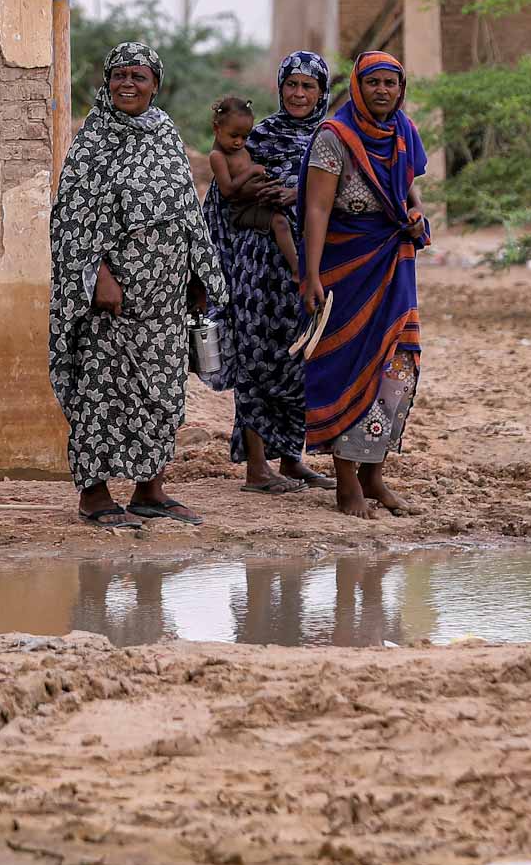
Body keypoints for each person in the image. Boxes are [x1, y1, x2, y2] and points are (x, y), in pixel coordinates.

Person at [50, 42, 229, 529]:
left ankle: (150, 490)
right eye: (119, 76)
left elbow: (186, 210)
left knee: (161, 391)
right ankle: (95, 494)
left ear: (156, 84)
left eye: (139, 76)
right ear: (106, 83)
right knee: (102, 390)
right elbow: (71, 219)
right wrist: (99, 276)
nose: (128, 84)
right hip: (113, 299)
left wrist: (197, 273)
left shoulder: (165, 132)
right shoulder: (93, 141)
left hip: (166, 297)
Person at [299, 52, 431, 519]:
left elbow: (408, 190)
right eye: (373, 82)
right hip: (345, 266)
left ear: (401, 88)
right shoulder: (334, 138)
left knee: (397, 367)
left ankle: (374, 473)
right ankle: (346, 481)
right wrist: (310, 274)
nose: (382, 90)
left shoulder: (404, 132)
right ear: (358, 86)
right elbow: (315, 209)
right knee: (349, 368)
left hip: (394, 264)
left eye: (390, 83)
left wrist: (415, 216)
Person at [202, 52, 337, 496]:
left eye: (308, 87)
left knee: (303, 363)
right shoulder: (256, 138)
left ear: (321, 92)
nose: (298, 94)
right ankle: (257, 468)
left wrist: (296, 195)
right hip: (257, 268)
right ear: (280, 88)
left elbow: (341, 196)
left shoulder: (332, 140)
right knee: (256, 362)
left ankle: (291, 460)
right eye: (291, 85)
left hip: (311, 270)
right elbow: (224, 204)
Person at [205, 97, 299, 277]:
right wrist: (252, 172)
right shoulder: (217, 156)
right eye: (234, 136)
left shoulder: (238, 148)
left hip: (256, 201)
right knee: (280, 223)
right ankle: (296, 269)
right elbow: (227, 191)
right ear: (217, 129)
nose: (239, 142)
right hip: (242, 210)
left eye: (245, 137)